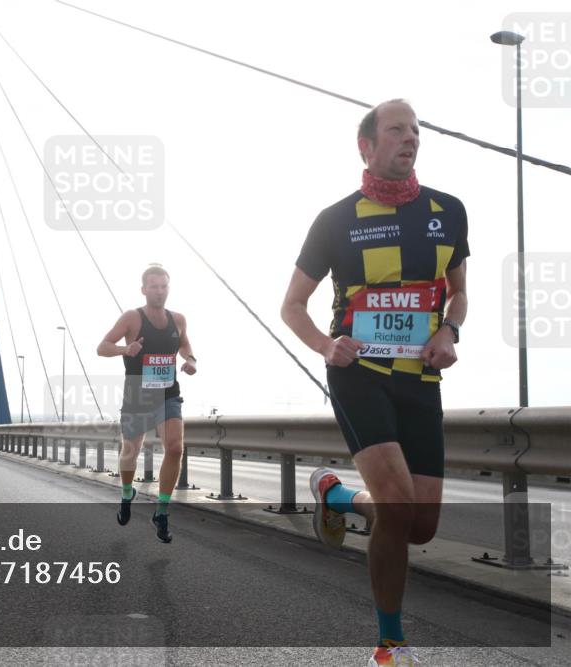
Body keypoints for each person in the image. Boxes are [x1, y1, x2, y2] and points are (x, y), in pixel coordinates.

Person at [280, 99, 468, 666]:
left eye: (416, 131)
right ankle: (390, 645)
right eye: (397, 131)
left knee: (420, 524)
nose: (410, 139)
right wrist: (326, 346)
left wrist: (450, 332)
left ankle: (334, 495)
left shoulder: (449, 210)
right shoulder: (336, 219)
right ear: (366, 145)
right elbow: (292, 307)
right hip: (359, 373)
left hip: (420, 378)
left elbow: (458, 291)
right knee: (396, 500)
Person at [97, 264, 197, 543]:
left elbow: (186, 345)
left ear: (169, 288)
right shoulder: (132, 317)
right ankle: (127, 492)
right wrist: (124, 349)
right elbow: (102, 346)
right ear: (144, 290)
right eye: (153, 286)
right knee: (131, 450)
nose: (159, 291)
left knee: (175, 448)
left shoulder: (178, 319)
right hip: (138, 395)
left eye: (163, 286)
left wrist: (190, 360)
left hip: (168, 393)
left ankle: (161, 512)